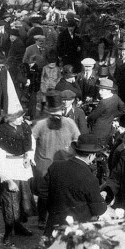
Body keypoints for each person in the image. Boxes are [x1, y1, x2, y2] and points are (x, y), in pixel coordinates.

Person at [39, 133, 109, 235]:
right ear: (91, 155)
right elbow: (98, 210)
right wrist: (101, 198)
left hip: (53, 223)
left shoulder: (55, 166)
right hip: (77, 228)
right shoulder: (90, 178)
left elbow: (43, 192)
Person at [30, 91, 81, 226]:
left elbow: (78, 140)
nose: (56, 117)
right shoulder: (41, 125)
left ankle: (52, 219)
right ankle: (43, 219)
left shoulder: (69, 124)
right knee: (46, 194)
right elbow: (30, 141)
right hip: (45, 166)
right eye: (53, 114)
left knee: (56, 193)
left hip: (61, 166)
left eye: (57, 113)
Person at [0, 109, 36, 244]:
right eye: (18, 117)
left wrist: (28, 157)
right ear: (9, 118)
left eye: (22, 116)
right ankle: (8, 231)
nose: (22, 119)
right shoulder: (0, 133)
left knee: (23, 200)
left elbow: (31, 144)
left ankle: (18, 226)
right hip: (9, 169)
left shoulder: (24, 128)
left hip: (22, 169)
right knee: (10, 202)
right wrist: (8, 180)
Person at [87, 78, 125, 145]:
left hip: (98, 131)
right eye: (99, 89)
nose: (99, 92)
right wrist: (112, 115)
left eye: (102, 90)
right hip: (108, 129)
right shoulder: (115, 97)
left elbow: (92, 117)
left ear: (109, 90)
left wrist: (87, 118)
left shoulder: (103, 102)